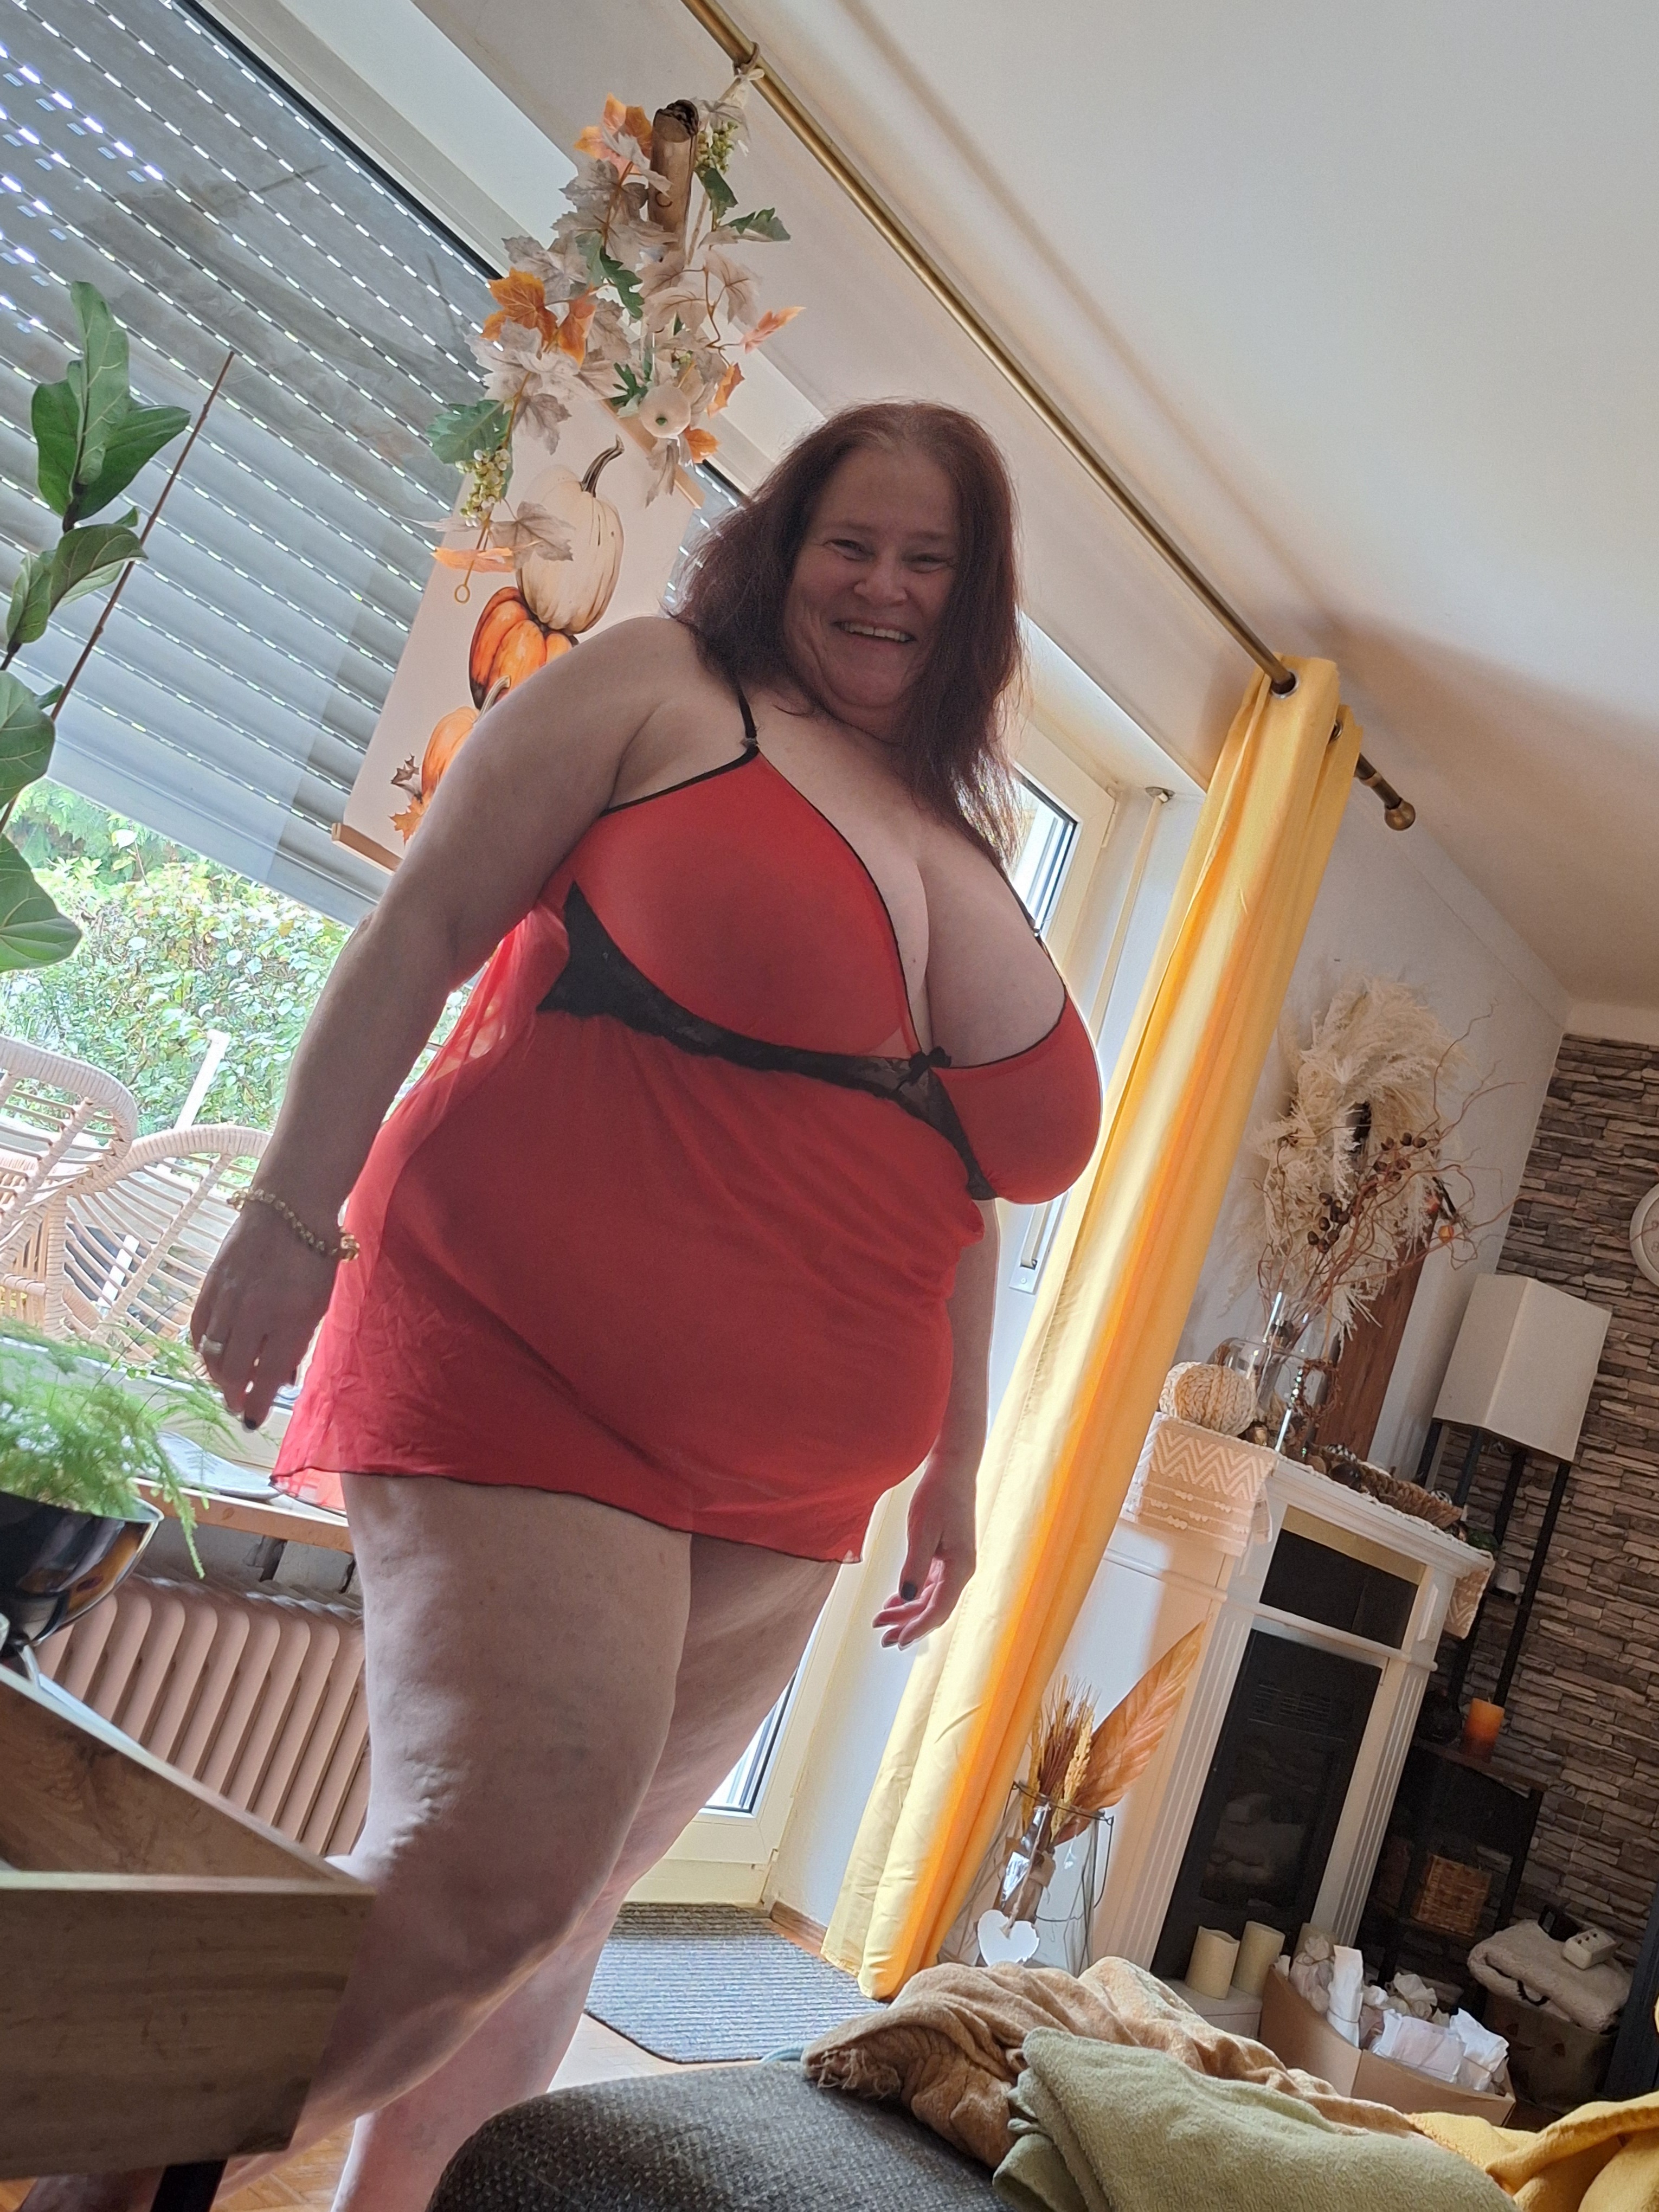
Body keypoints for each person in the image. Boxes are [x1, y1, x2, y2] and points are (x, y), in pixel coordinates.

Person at [31, 402, 1102, 2212]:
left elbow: (961, 1190)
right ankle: (89, 2167)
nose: (883, 586)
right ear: (783, 542)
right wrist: (288, 1220)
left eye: (928, 560)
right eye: (851, 542)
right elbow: (420, 931)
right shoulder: (662, 687)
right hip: (526, 1365)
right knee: (494, 1874)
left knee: (564, 1917)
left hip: (796, 1486)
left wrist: (956, 1462)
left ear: (973, 597)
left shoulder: (961, 832)